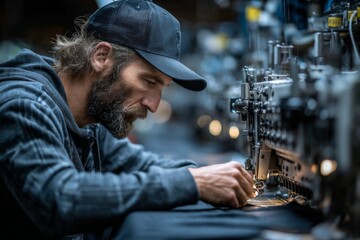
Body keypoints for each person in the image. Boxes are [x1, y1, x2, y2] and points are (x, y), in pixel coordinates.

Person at [0, 0, 255, 239]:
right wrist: (192, 183)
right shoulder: (24, 105)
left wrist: (212, 177)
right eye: (148, 81)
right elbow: (61, 199)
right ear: (101, 57)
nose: (154, 105)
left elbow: (138, 164)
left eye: (162, 87)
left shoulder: (88, 118)